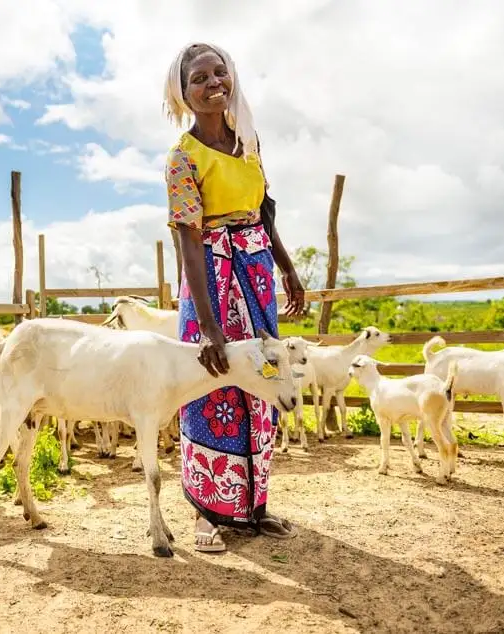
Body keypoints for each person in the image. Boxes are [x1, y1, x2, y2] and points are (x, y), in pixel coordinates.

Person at [163, 42, 308, 552]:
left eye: (218, 73)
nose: (212, 84)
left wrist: (287, 268)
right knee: (214, 387)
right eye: (198, 78)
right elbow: (187, 238)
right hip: (211, 283)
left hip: (257, 271)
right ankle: (206, 511)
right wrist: (207, 325)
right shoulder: (183, 157)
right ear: (183, 93)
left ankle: (254, 506)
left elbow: (265, 212)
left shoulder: (249, 141)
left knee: (262, 383)